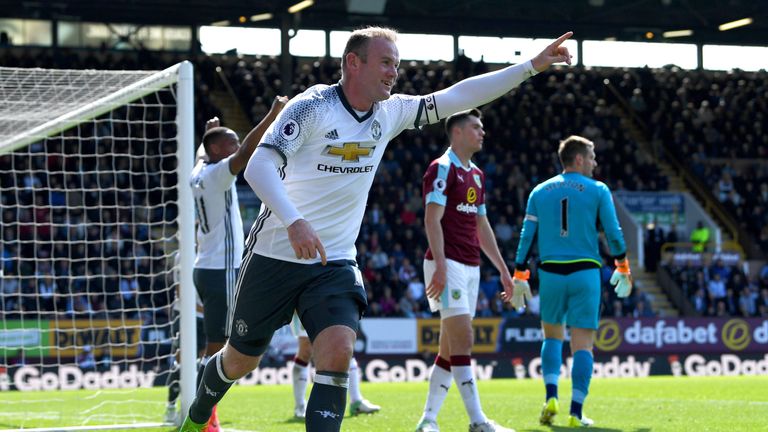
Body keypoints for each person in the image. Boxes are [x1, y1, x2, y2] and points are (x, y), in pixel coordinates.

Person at [181, 26, 572, 432]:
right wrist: (294, 221)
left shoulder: (390, 112)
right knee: (239, 360)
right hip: (274, 254)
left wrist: (531, 66)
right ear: (354, 62)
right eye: (385, 63)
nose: (393, 73)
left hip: (333, 260)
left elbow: (458, 95)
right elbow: (259, 166)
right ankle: (194, 421)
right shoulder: (312, 106)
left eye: (397, 66)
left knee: (337, 351)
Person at [510, 135, 632, 428]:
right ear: (578, 159)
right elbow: (613, 232)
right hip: (585, 273)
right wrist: (623, 265)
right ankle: (576, 413)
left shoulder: (539, 191)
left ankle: (551, 396)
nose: (595, 162)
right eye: (591, 157)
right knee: (583, 347)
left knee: (551, 337)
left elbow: (527, 236)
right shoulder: (598, 189)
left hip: (551, 272)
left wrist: (519, 273)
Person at [187, 96, 287, 430]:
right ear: (218, 151)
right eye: (228, 143)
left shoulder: (198, 170)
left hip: (204, 267)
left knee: (212, 345)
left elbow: (208, 151)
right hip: (221, 269)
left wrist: (211, 133)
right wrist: (273, 115)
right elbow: (244, 154)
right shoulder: (217, 174)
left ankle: (195, 409)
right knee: (219, 348)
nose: (235, 147)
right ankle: (204, 418)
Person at [414, 108, 515, 432]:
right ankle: (478, 422)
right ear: (456, 132)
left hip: (470, 265)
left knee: (448, 349)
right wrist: (441, 266)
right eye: (475, 127)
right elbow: (432, 219)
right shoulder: (441, 168)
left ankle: (428, 420)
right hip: (449, 264)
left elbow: (481, 224)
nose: (481, 132)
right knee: (465, 340)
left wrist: (502, 269)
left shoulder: (477, 174)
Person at [289, 312, 380, 419]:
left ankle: (356, 401)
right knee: (306, 349)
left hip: (333, 299)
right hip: (305, 300)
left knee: (344, 345)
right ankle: (300, 406)